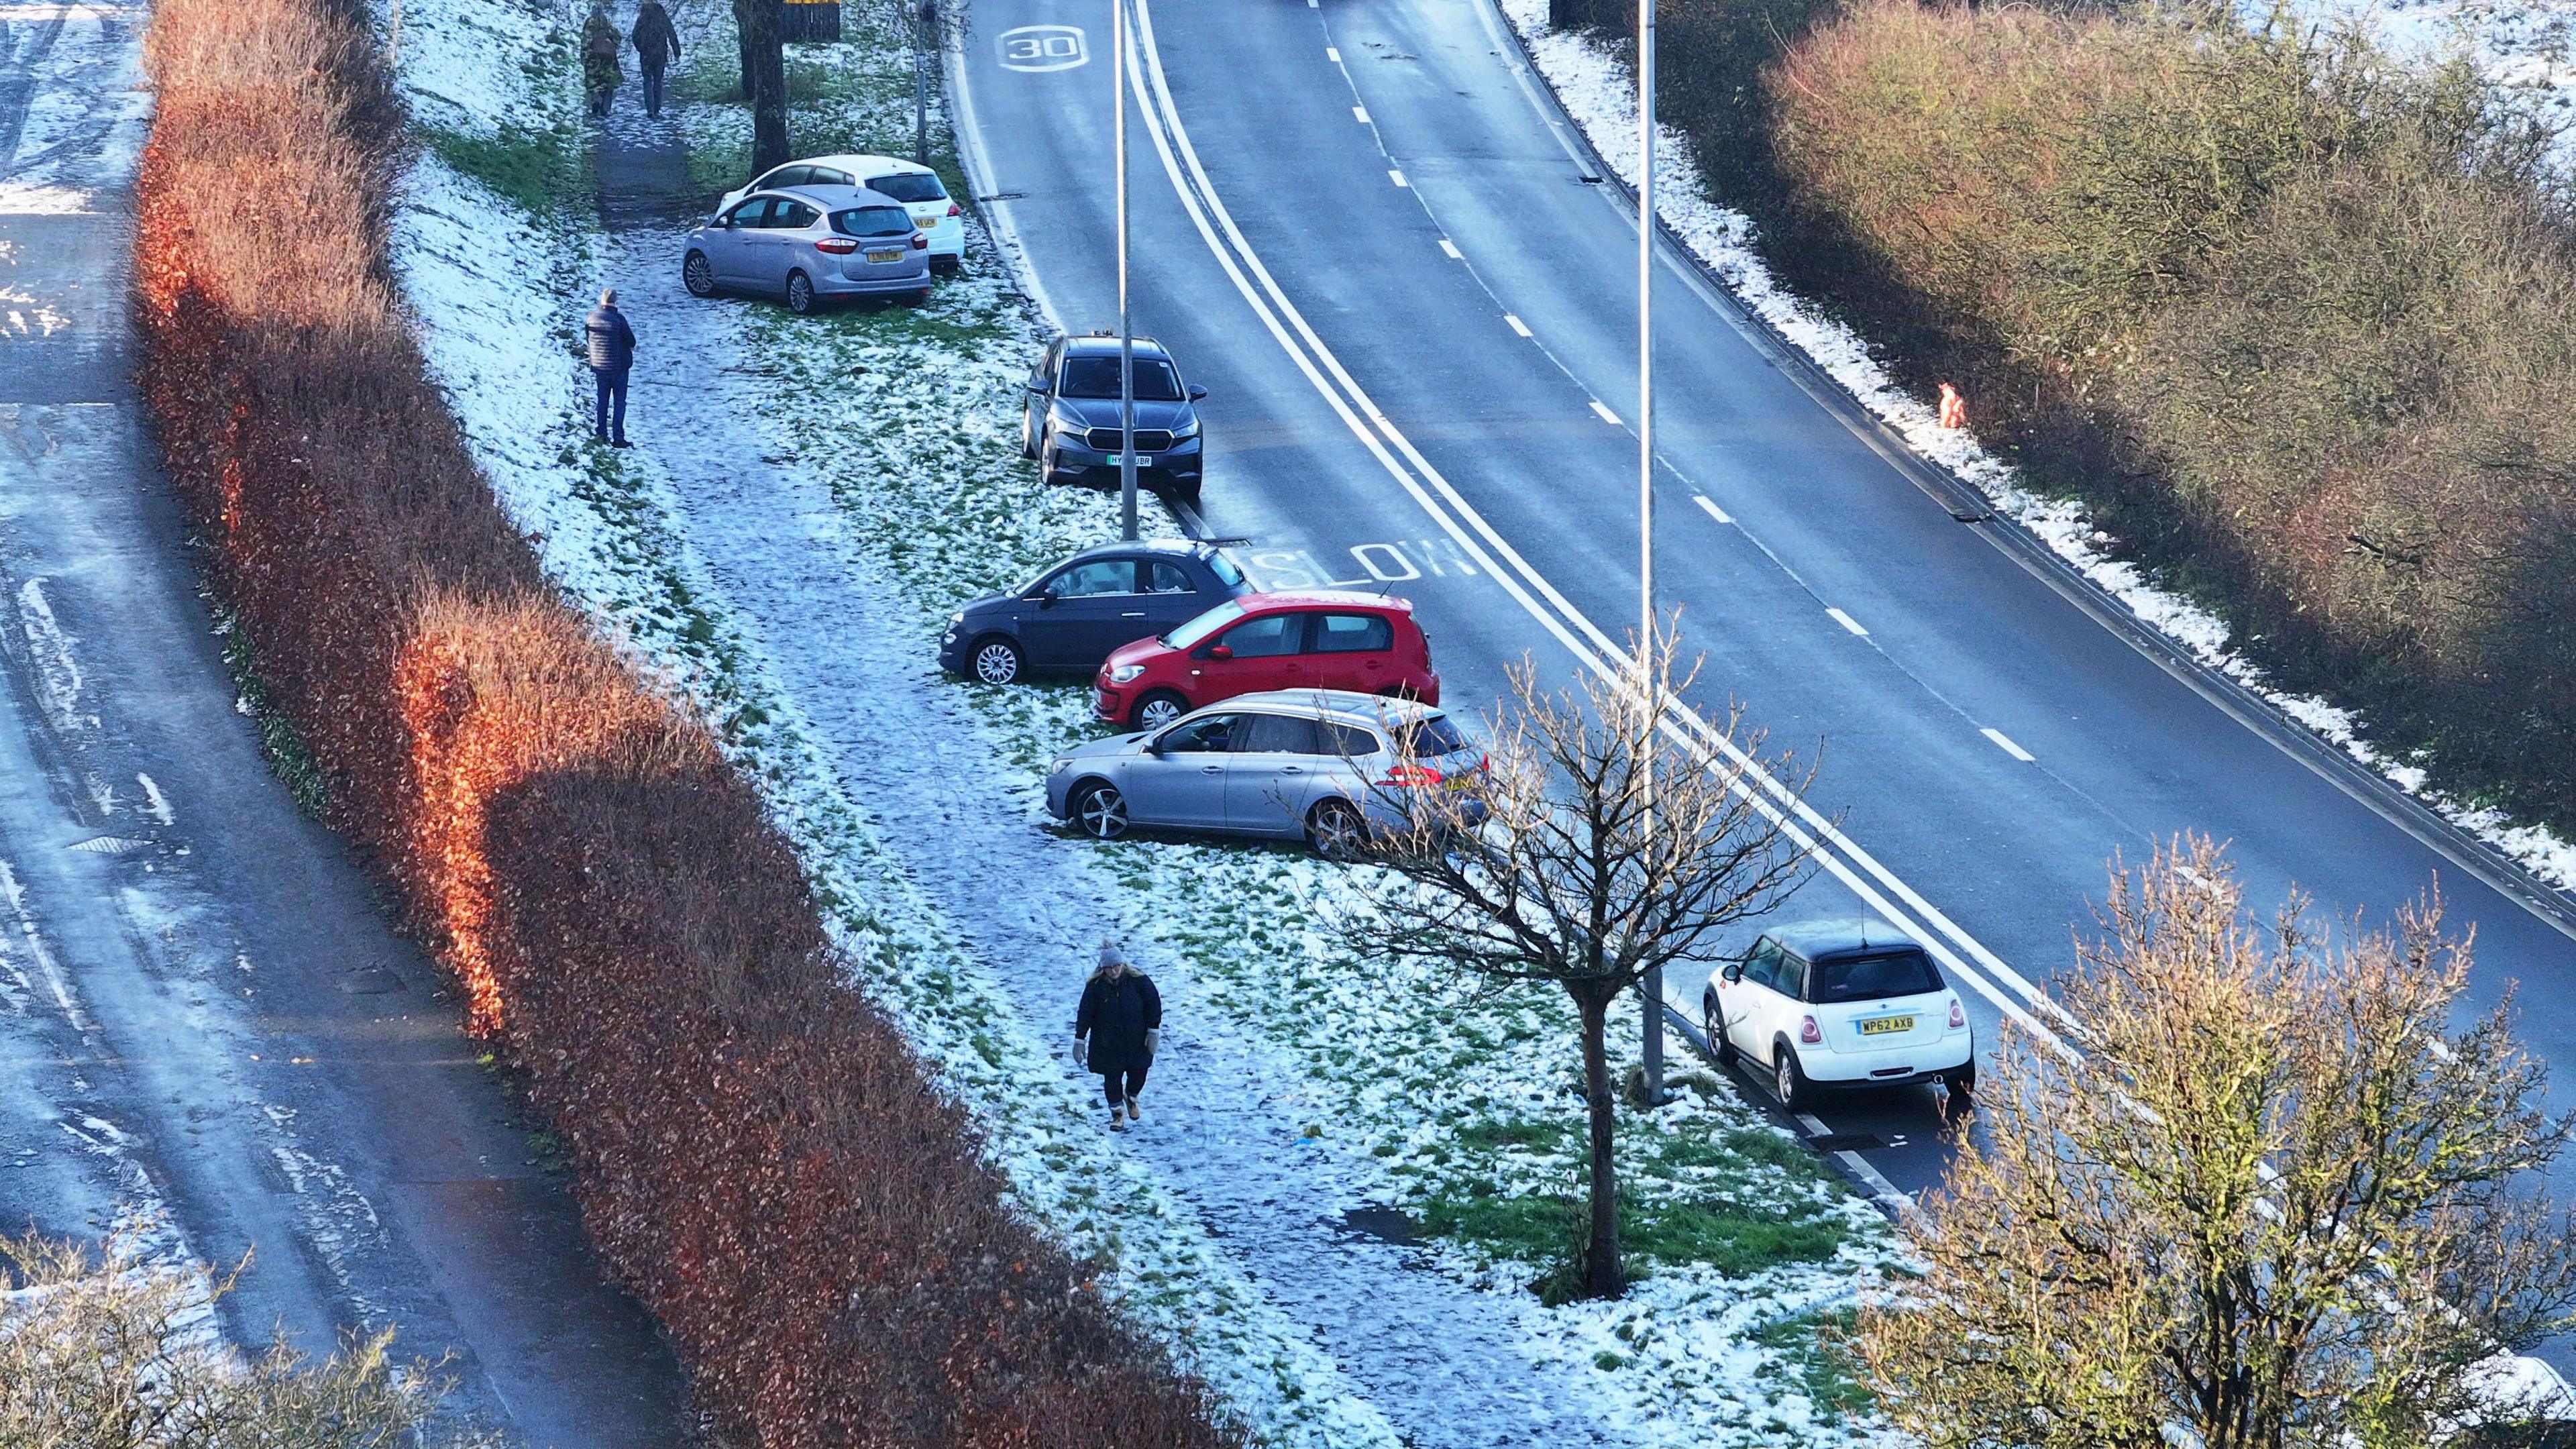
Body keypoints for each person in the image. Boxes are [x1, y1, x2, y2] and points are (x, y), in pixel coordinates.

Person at [1073, 939, 1161, 1131]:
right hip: (1108, 1044)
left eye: (1117, 966)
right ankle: (1117, 1114)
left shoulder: (1139, 981)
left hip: (1137, 1040)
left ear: (1123, 964)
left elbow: (1153, 1002)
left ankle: (1131, 1096)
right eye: (1110, 968)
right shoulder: (1095, 987)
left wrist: (1153, 1029)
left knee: (1139, 1073)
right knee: (1112, 1078)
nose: (1114, 971)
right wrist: (1080, 1038)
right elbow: (1086, 1012)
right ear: (1103, 968)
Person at [585, 288, 636, 447]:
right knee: (619, 402)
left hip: (600, 367)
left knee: (603, 401)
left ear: (602, 301)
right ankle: (618, 438)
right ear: (615, 301)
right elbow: (631, 341)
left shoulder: (591, 318)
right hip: (619, 368)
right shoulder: (619, 320)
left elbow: (588, 339)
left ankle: (601, 433)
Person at [629, 0, 682, 120]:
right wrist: (677, 53)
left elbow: (635, 36)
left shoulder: (642, 19)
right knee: (658, 81)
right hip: (660, 55)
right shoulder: (662, 18)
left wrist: (641, 48)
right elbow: (672, 35)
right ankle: (657, 109)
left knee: (647, 80)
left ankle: (650, 109)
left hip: (646, 55)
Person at [582, 5, 623, 119]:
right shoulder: (606, 24)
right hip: (608, 59)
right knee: (608, 83)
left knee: (594, 82)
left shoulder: (590, 24)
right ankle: (606, 108)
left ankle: (596, 101)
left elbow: (586, 42)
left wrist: (585, 58)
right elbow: (617, 37)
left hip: (593, 59)